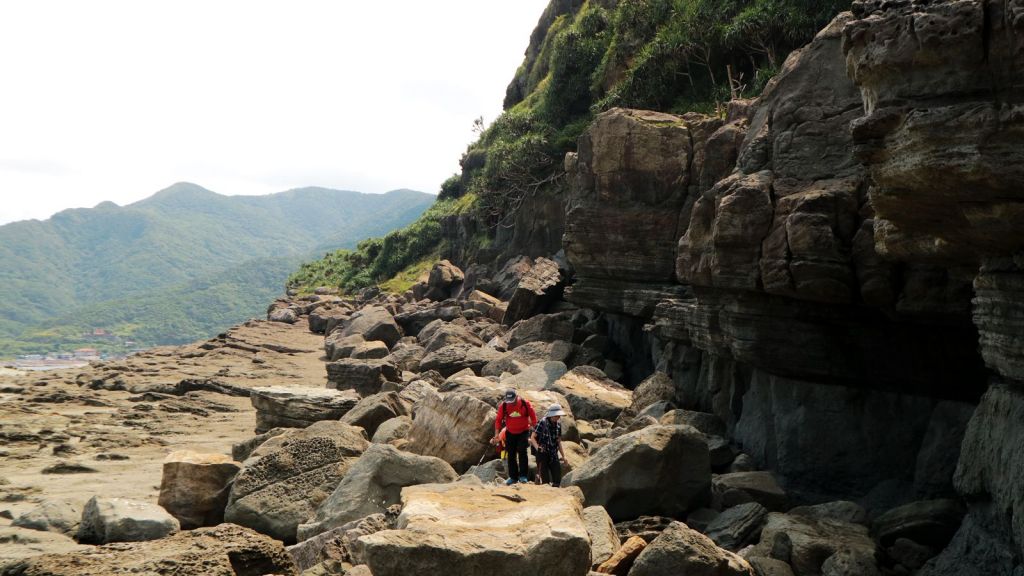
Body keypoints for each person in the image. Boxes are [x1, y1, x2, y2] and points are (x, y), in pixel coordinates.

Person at [492, 388, 537, 485]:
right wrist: (496, 434)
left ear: (516, 397)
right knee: (511, 454)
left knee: (522, 452)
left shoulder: (525, 404)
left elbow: (533, 417)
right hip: (510, 432)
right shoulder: (504, 406)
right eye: (509, 401)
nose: (510, 403)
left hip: (523, 431)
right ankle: (513, 477)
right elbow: (498, 420)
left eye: (512, 401)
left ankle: (523, 476)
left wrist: (534, 430)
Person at [531, 403, 567, 486]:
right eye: (556, 415)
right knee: (545, 480)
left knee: (557, 478)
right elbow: (532, 437)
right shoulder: (542, 423)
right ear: (550, 415)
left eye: (558, 416)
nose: (557, 417)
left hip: (553, 454)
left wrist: (564, 456)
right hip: (542, 453)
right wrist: (538, 448)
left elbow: (558, 442)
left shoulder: (558, 425)